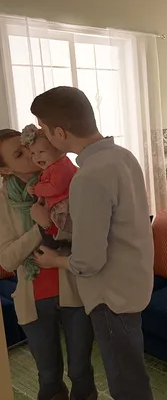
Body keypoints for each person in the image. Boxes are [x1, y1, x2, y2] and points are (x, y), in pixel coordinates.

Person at [31, 86, 155, 400]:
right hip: (134, 281)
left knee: (126, 383)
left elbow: (88, 261)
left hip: (111, 295)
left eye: (45, 130)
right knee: (132, 371)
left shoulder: (88, 177)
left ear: (60, 133)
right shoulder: (123, 156)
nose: (45, 137)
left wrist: (54, 260)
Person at [0, 128, 96, 400]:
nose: (31, 155)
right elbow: (7, 259)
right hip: (32, 298)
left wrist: (51, 223)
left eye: (28, 147)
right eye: (19, 154)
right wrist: (40, 226)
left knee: (81, 372)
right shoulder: (4, 203)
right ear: (5, 170)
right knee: (49, 377)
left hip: (74, 288)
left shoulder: (69, 180)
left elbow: (91, 236)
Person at [21, 124, 77, 252]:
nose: (36, 157)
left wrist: (37, 189)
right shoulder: (52, 167)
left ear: (59, 150)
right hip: (57, 206)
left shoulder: (62, 166)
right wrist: (35, 189)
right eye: (33, 153)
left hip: (65, 206)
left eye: (41, 152)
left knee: (62, 229)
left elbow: (55, 188)